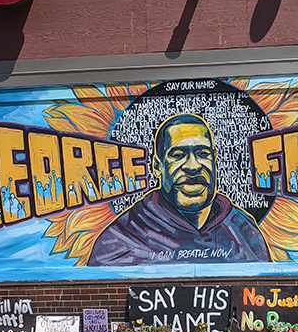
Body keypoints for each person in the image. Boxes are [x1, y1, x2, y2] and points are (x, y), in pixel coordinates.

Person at [88, 113, 271, 266]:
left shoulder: (243, 230)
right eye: (178, 155)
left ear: (214, 160)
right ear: (157, 166)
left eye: (202, 154)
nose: (193, 166)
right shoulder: (121, 239)